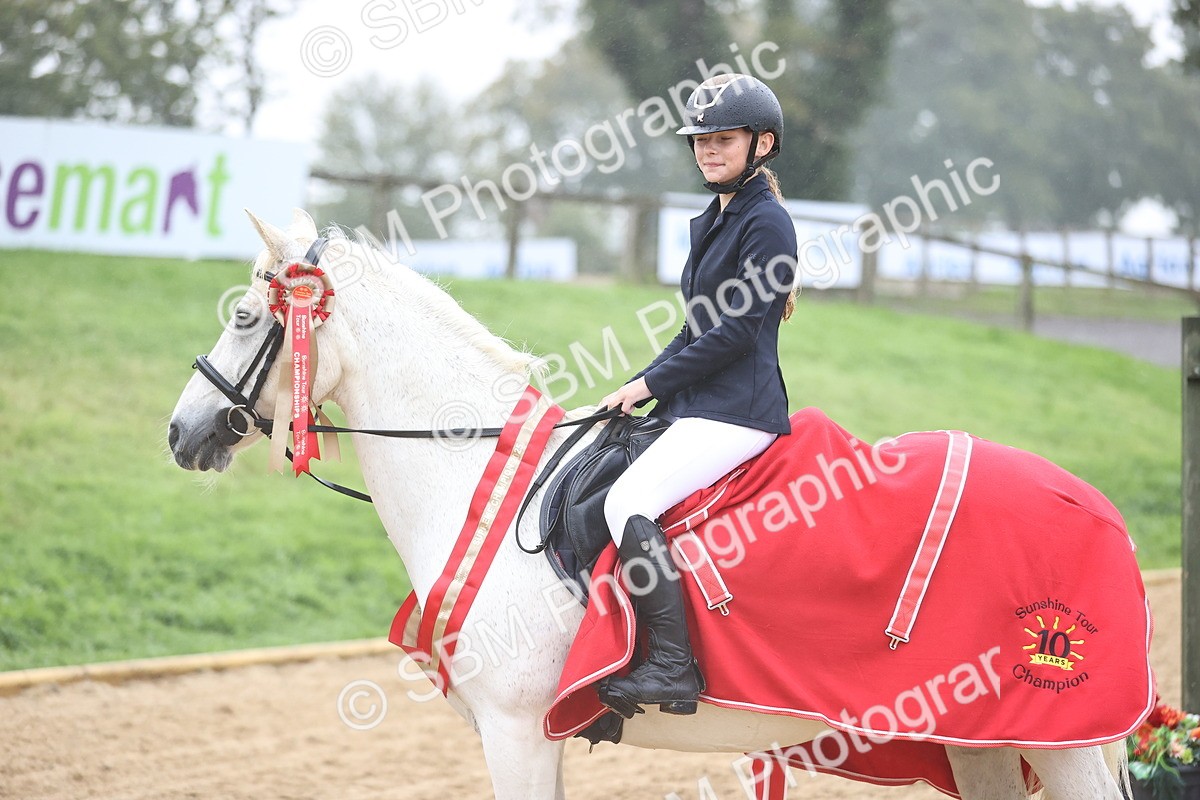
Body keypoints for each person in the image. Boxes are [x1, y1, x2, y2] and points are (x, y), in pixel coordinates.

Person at [597, 73, 798, 719]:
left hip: (739, 408)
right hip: (700, 402)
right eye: (701, 140)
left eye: (723, 139)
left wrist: (653, 385)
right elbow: (695, 326)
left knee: (630, 498)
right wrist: (634, 387)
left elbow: (738, 333)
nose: (709, 150)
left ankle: (672, 666)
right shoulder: (714, 218)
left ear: (761, 143)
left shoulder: (767, 223)